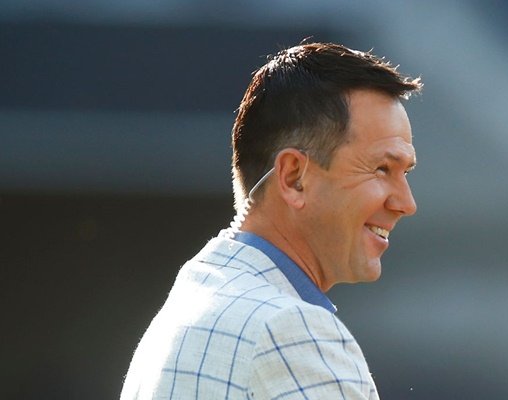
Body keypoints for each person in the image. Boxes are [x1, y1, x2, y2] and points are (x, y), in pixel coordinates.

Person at [120, 42, 422, 399]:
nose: (406, 204)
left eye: (405, 173)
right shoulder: (287, 328)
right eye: (382, 168)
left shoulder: (192, 301)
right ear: (294, 177)